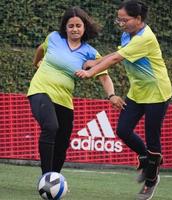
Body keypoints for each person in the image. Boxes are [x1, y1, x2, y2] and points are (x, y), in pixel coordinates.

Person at [75, 0, 172, 199]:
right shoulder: (128, 34)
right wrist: (96, 61)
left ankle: (151, 180)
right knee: (123, 130)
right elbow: (117, 54)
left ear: (138, 19)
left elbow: (116, 59)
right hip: (137, 92)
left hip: (157, 93)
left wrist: (91, 70)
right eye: (119, 19)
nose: (121, 23)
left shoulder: (145, 38)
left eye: (124, 20)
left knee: (153, 139)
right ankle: (148, 160)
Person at [27, 6, 125, 175]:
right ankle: (46, 177)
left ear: (84, 27)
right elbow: (40, 50)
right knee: (50, 127)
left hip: (64, 99)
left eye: (78, 25)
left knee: (63, 141)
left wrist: (111, 95)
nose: (74, 29)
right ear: (65, 27)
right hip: (40, 90)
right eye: (70, 25)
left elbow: (104, 76)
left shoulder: (90, 53)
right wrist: (37, 63)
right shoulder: (54, 37)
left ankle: (55, 176)